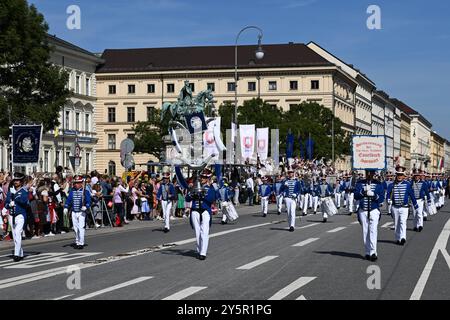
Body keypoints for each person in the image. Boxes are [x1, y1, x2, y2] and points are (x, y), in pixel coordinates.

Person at [184, 167, 218, 260]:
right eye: (201, 177)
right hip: (195, 210)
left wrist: (202, 194)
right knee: (197, 232)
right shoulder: (195, 187)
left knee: (205, 232)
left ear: (207, 178)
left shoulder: (210, 188)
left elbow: (212, 199)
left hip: (205, 211)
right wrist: (192, 193)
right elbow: (187, 199)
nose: (202, 179)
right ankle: (199, 250)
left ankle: (203, 253)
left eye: (204, 177)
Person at [354, 169, 385, 261]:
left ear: (373, 173)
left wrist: (374, 195)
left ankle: (373, 252)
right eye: (367, 172)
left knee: (373, 231)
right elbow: (355, 196)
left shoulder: (378, 183)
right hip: (363, 209)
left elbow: (381, 198)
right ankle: (367, 252)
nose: (369, 174)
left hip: (374, 209)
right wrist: (362, 192)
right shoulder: (360, 183)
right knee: (365, 231)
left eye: (370, 173)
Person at [387, 166, 418, 245]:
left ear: (403, 176)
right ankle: (398, 238)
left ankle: (403, 237)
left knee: (403, 222)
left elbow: (412, 195)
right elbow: (388, 194)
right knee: (397, 223)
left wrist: (415, 204)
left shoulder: (407, 185)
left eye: (401, 175)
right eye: (398, 175)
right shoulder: (391, 185)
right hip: (395, 207)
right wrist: (388, 200)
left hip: (404, 207)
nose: (399, 176)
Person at [5, 172, 29, 262]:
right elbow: (6, 203)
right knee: (15, 236)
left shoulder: (23, 191)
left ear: (21, 182)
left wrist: (16, 198)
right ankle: (20, 253)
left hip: (20, 215)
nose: (16, 182)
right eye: (15, 180)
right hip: (11, 215)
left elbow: (24, 202)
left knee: (18, 233)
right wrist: (8, 205)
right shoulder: (10, 191)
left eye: (18, 180)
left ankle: (16, 255)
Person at [64, 175, 91, 249]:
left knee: (81, 227)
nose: (76, 184)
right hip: (74, 212)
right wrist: (66, 207)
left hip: (81, 212)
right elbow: (68, 200)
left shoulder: (85, 192)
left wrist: (86, 206)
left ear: (81, 183)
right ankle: (77, 241)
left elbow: (89, 201)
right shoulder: (72, 192)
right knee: (75, 228)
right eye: (75, 183)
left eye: (78, 183)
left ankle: (81, 243)